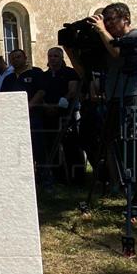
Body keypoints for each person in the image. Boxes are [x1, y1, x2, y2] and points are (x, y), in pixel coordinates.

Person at [65, 2, 137, 208]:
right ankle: (130, 194)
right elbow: (85, 73)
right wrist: (70, 51)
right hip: (115, 100)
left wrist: (101, 30)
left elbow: (119, 54)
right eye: (105, 20)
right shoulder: (109, 43)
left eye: (111, 19)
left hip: (135, 97)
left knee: (134, 150)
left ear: (126, 19)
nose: (107, 24)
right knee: (115, 145)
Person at [1, 49, 47, 185]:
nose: (15, 60)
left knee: (38, 149)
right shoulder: (8, 78)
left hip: (33, 117)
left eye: (18, 57)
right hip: (14, 121)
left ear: (25, 57)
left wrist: (29, 106)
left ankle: (45, 181)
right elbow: (3, 97)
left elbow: (41, 91)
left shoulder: (36, 73)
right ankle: (22, 181)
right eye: (13, 58)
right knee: (19, 151)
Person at [40, 47, 83, 183]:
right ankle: (58, 178)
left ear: (61, 58)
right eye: (50, 56)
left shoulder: (70, 73)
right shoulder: (44, 76)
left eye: (55, 56)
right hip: (48, 115)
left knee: (71, 146)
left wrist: (60, 104)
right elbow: (40, 93)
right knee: (52, 146)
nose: (52, 59)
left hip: (66, 113)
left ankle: (77, 178)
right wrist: (46, 106)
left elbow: (72, 90)